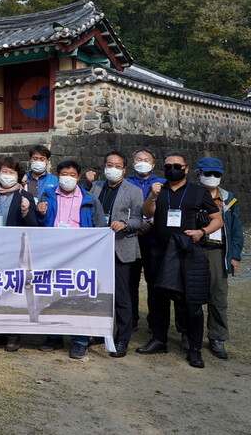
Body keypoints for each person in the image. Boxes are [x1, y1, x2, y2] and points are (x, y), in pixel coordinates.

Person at [136, 151, 223, 369]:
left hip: (186, 251)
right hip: (159, 251)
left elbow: (218, 220)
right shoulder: (158, 188)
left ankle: (193, 347)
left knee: (189, 302)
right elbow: (147, 212)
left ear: (185, 168)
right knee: (157, 298)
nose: (172, 169)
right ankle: (159, 339)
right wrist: (152, 196)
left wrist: (202, 232)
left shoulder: (198, 192)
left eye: (177, 165)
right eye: (167, 166)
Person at [35, 159, 107, 358]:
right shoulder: (48, 195)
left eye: (72, 175)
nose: (67, 178)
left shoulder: (90, 200)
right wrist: (40, 214)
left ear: (78, 177)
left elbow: (100, 228)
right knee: (52, 295)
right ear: (58, 176)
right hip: (53, 254)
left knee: (79, 297)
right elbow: (40, 225)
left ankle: (79, 340)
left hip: (80, 255)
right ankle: (54, 336)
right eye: (64, 174)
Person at [0, 156, 38, 353]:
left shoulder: (25, 196)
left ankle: (14, 334)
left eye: (12, 173)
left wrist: (26, 211)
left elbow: (33, 227)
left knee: (15, 292)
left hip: (15, 251)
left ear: (19, 176)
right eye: (4, 171)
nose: (7, 175)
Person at [87, 151, 144, 358]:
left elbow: (139, 221)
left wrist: (125, 224)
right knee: (97, 294)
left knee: (122, 296)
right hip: (98, 250)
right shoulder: (96, 187)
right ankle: (97, 333)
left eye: (117, 165)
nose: (112, 168)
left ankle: (122, 339)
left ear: (124, 169)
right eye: (109, 164)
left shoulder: (134, 191)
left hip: (121, 248)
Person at [195, 157, 244, 360]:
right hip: (195, 249)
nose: (212, 177)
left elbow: (236, 231)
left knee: (218, 297)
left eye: (216, 174)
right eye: (207, 173)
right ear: (198, 174)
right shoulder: (191, 195)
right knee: (191, 295)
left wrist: (234, 256)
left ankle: (217, 337)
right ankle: (190, 335)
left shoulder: (228, 199)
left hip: (218, 252)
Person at [125, 148, 165, 332]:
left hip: (154, 240)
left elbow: (167, 208)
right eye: (138, 159)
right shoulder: (124, 183)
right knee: (130, 281)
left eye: (146, 159)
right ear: (132, 164)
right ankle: (131, 317)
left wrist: (150, 221)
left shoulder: (163, 183)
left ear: (153, 164)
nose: (142, 162)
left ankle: (154, 319)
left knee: (154, 281)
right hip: (130, 238)